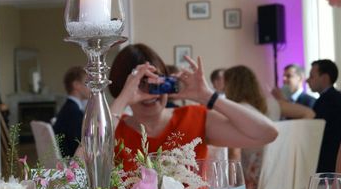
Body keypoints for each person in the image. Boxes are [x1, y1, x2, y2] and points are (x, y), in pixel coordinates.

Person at [108, 43, 278, 171]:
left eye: (156, 82)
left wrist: (208, 96)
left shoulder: (194, 118)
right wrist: (122, 101)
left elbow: (267, 133)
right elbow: (80, 171)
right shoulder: (112, 130)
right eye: (139, 84)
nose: (149, 93)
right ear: (122, 88)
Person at [224, 65, 315, 189]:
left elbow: (234, 154)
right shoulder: (272, 104)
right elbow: (309, 113)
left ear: (231, 86)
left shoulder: (236, 110)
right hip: (280, 173)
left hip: (252, 181)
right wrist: (288, 139)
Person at [307, 59, 341, 173]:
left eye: (312, 76)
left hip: (329, 163)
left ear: (325, 78)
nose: (307, 80)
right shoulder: (333, 97)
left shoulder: (329, 101)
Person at [53, 66, 90, 158]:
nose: (90, 86)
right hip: (71, 162)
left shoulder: (68, 108)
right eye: (87, 82)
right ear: (76, 85)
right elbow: (78, 145)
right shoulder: (73, 112)